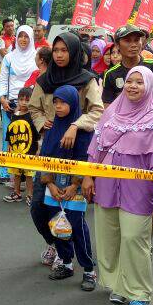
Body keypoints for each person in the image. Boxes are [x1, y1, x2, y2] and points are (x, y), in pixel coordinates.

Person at [82, 67, 153, 305]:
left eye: (140, 82)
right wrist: (88, 176)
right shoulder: (111, 112)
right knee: (109, 237)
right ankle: (119, 284)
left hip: (138, 188)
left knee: (134, 237)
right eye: (130, 81)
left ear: (149, 86)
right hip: (107, 184)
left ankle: (140, 292)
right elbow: (95, 148)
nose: (133, 86)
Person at [29, 85, 97, 289]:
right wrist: (48, 182)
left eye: (63, 102)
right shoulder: (52, 128)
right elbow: (45, 158)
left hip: (74, 187)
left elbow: (85, 159)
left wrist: (75, 185)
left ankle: (88, 269)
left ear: (74, 103)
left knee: (77, 226)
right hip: (53, 185)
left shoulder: (84, 131)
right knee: (57, 225)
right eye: (56, 102)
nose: (58, 106)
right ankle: (66, 263)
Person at [27, 32, 103, 149]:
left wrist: (76, 126)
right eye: (56, 50)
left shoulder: (86, 80)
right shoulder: (45, 80)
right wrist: (41, 123)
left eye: (64, 50)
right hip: (51, 140)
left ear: (73, 52)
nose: (59, 55)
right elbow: (34, 107)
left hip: (79, 140)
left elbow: (97, 110)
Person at [102, 24, 153, 114]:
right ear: (117, 45)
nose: (134, 45)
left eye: (137, 40)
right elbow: (108, 108)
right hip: (122, 126)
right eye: (127, 41)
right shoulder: (110, 74)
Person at [0, 25, 36, 184]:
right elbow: (3, 80)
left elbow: (39, 78)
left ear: (31, 38)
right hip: (11, 104)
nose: (23, 40)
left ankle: (27, 175)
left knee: (29, 140)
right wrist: (2, 99)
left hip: (31, 104)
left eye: (27, 36)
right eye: (21, 36)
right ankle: (5, 172)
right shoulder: (9, 58)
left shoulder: (36, 56)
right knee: (9, 139)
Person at [3, 87, 38, 204]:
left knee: (29, 174)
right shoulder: (15, 115)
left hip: (29, 151)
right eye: (21, 99)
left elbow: (36, 134)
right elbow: (10, 131)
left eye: (27, 100)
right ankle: (17, 193)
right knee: (16, 173)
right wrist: (9, 145)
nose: (24, 102)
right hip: (15, 151)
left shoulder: (32, 116)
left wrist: (37, 150)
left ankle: (30, 195)